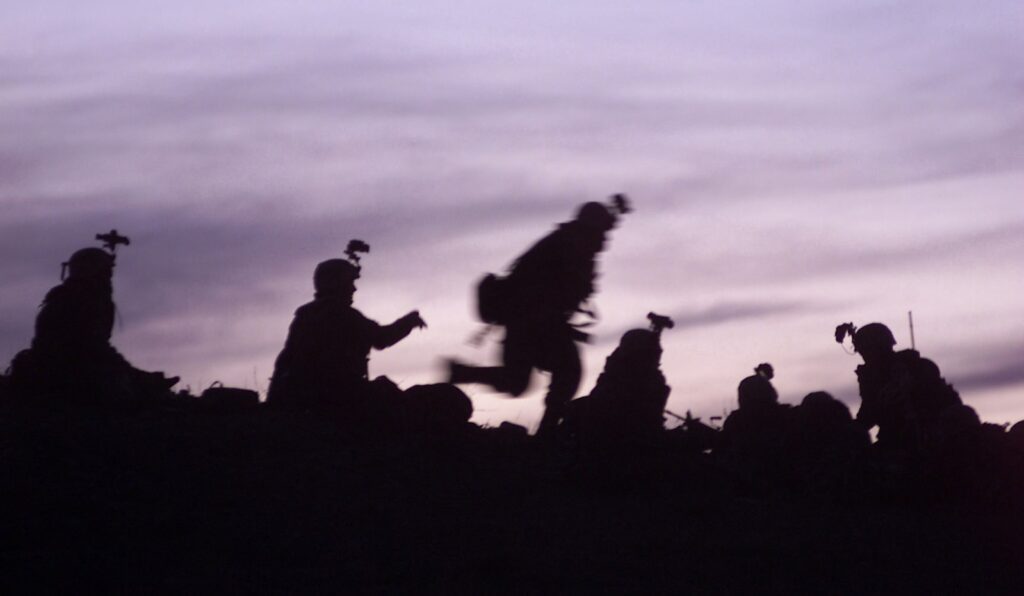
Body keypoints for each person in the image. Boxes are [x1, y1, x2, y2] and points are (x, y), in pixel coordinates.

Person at [448, 196, 629, 438]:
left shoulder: (572, 242)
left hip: (535, 323)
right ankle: (547, 434)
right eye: (604, 230)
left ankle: (462, 374)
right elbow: (547, 287)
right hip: (532, 323)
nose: (606, 238)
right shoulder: (570, 244)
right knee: (564, 373)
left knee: (520, 382)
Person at [9, 245, 179, 405]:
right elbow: (92, 347)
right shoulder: (80, 300)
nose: (109, 277)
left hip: (66, 366)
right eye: (106, 272)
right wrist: (139, 377)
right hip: (68, 370)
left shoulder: (69, 297)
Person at [267, 256, 426, 413]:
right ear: (337, 284)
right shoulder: (343, 315)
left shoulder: (305, 316)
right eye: (350, 282)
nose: (353, 288)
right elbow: (381, 338)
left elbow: (285, 360)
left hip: (307, 396)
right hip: (339, 396)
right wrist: (409, 322)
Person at [840, 322, 962, 452]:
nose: (865, 357)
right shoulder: (872, 377)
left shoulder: (916, 368)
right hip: (896, 440)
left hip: (926, 439)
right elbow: (869, 413)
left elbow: (946, 401)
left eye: (867, 351)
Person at [564, 313, 673, 448]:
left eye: (657, 354)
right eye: (651, 354)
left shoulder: (644, 381)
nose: (656, 360)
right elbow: (641, 433)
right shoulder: (624, 385)